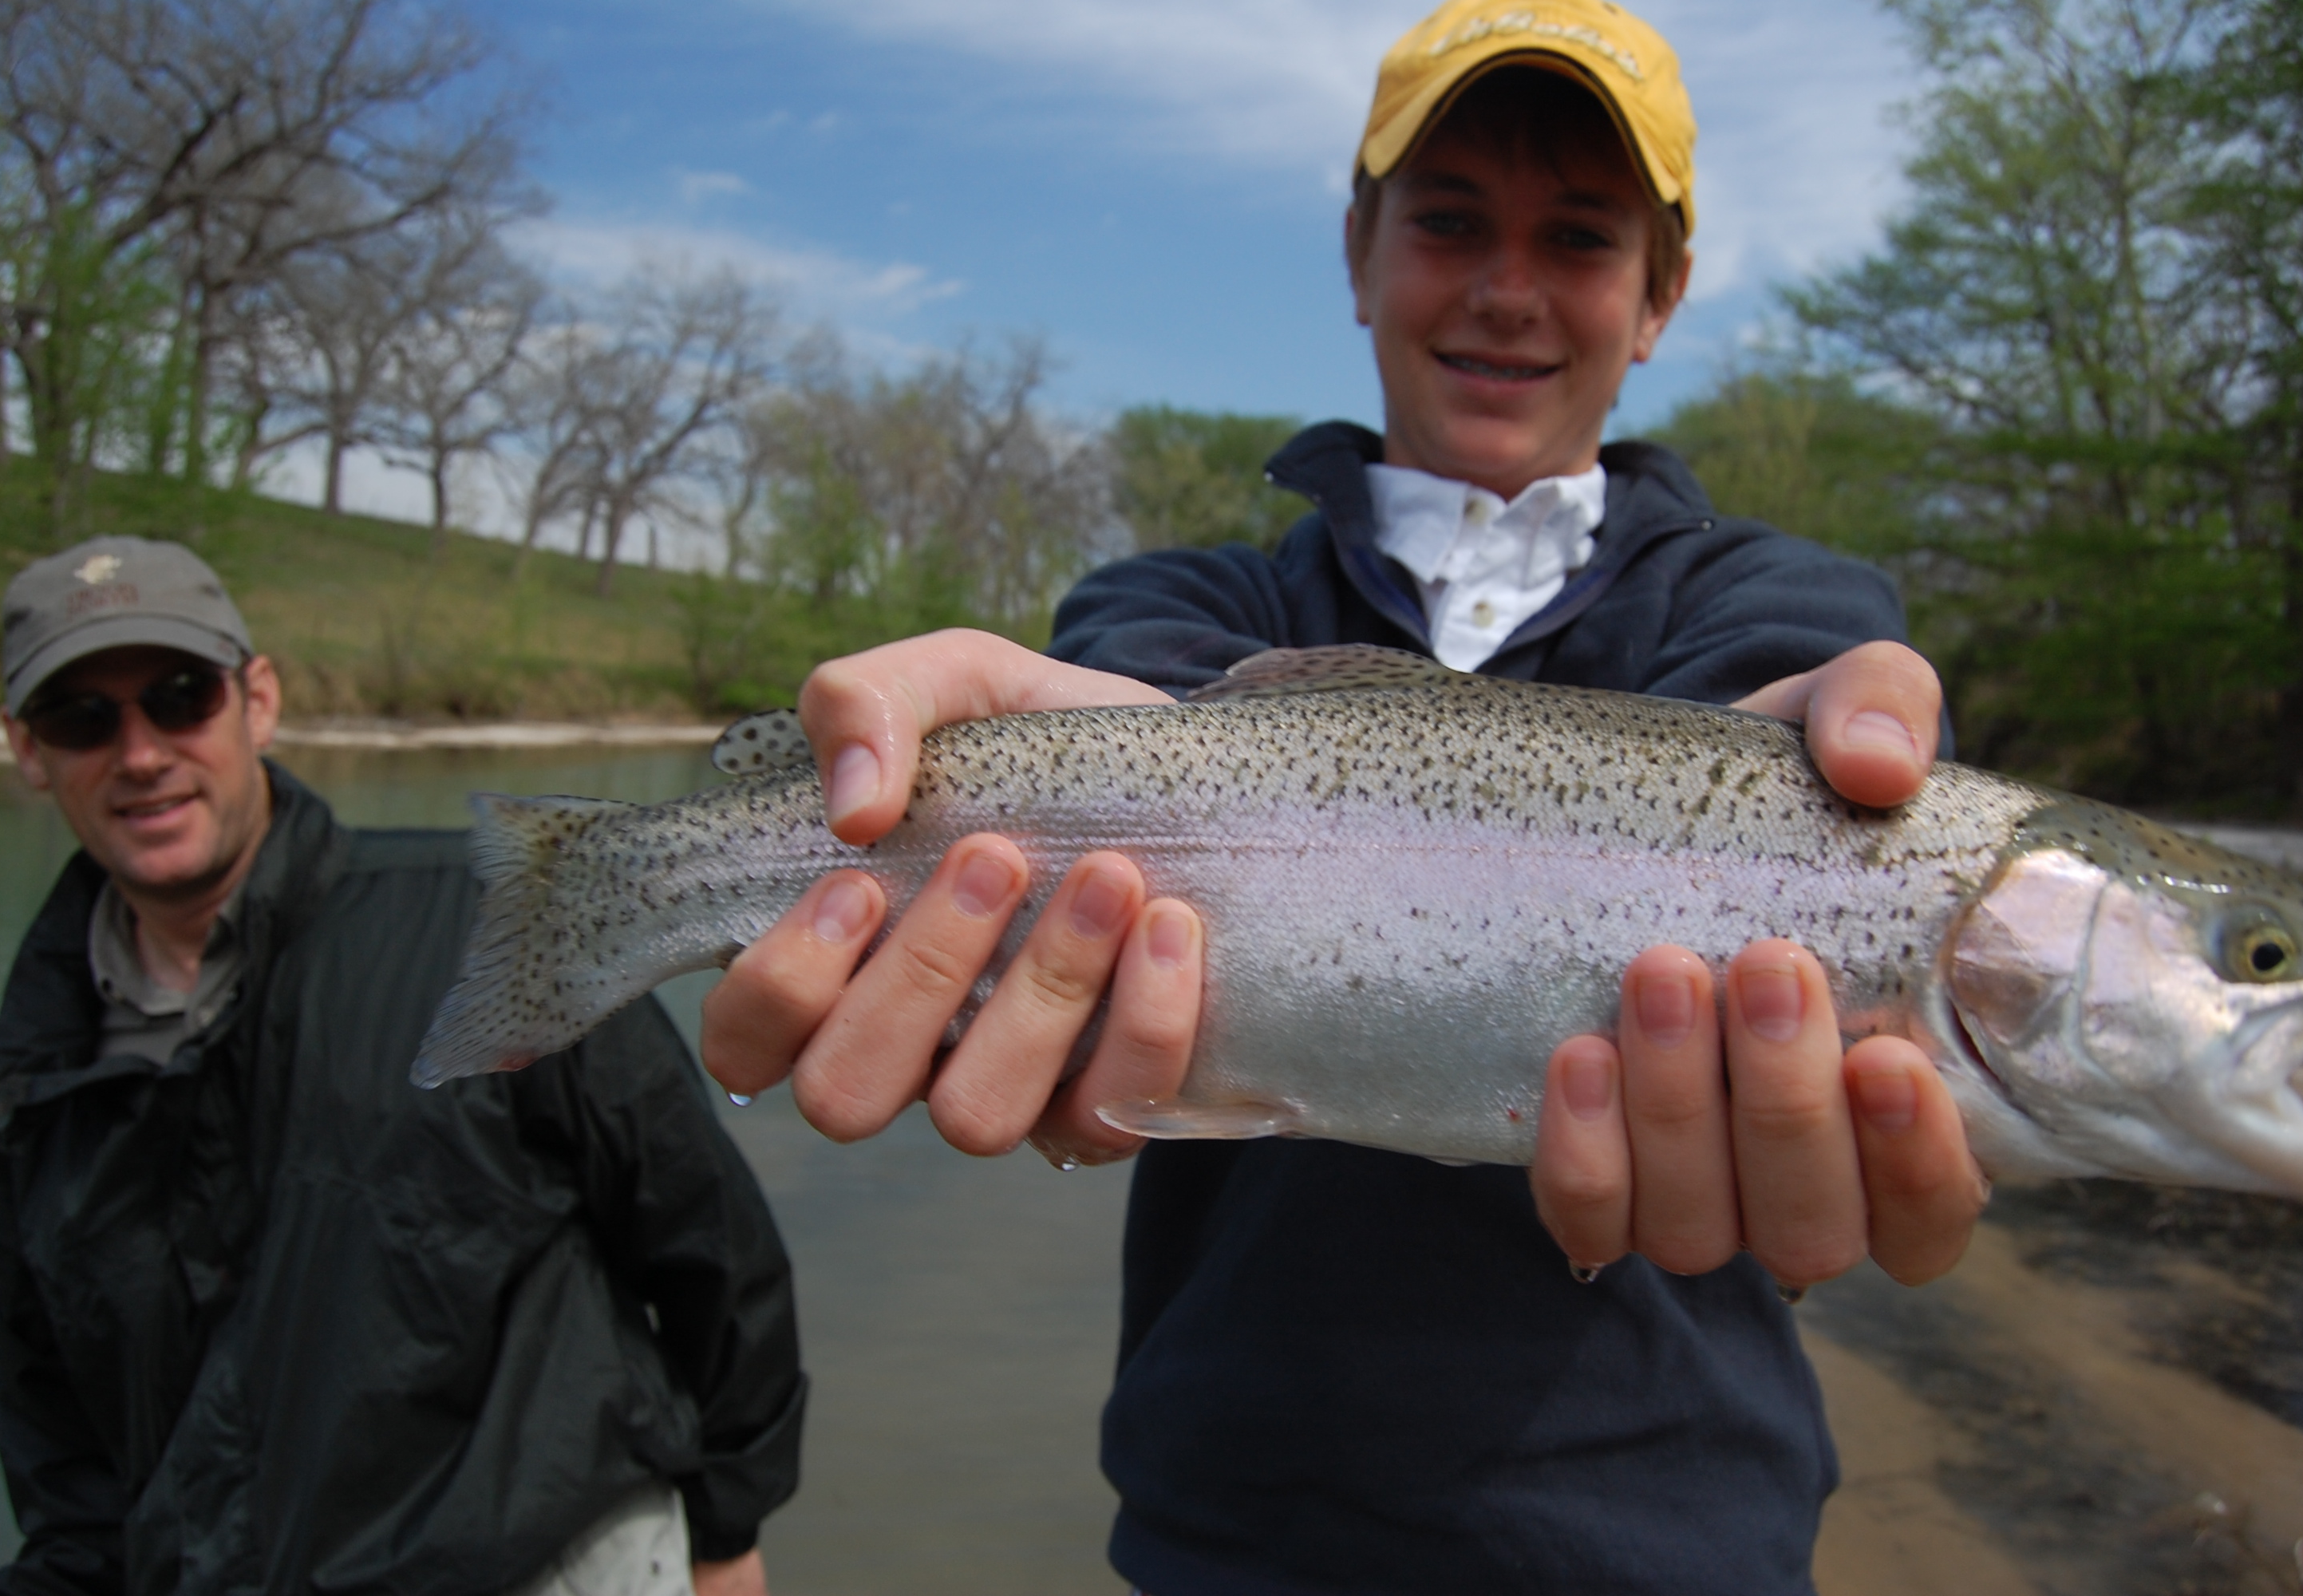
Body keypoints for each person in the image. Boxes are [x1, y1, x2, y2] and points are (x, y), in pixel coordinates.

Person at [700, 2, 1989, 1590]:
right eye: (1448, 221)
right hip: (1229, 1539)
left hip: (1677, 1543)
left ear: (1657, 297)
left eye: (1577, 237)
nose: (1507, 290)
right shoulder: (1177, 602)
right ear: (1358, 250)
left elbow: (1792, 700)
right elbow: (1135, 742)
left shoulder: (1773, 602)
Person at [0, 536, 804, 1596]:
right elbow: (54, 1437)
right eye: (82, 719)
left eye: (181, 697)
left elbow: (712, 1247)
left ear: (257, 699)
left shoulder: (494, 922)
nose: (140, 753)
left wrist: (729, 1534)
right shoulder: (35, 1068)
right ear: (27, 749)